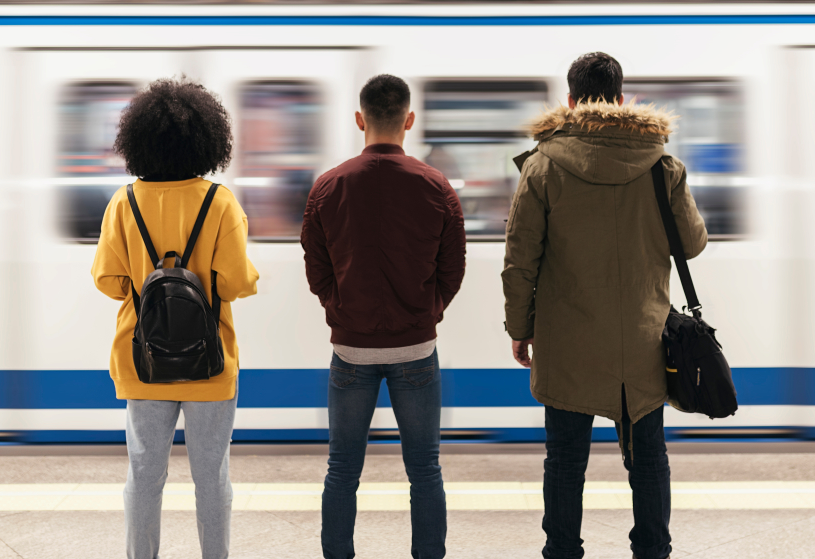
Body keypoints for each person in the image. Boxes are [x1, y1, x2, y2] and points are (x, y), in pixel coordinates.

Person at [502, 53, 708, 559]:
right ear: (621, 100)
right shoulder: (663, 166)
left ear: (571, 102)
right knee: (649, 459)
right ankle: (653, 549)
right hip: (642, 342)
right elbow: (693, 243)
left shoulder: (543, 165)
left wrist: (520, 327)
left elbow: (519, 260)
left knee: (565, 462)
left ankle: (563, 551)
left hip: (568, 342)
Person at [301, 74, 467, 559]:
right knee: (425, 469)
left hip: (350, 351)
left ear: (360, 119)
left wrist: (340, 308)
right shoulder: (436, 185)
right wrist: (427, 311)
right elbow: (451, 269)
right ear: (408, 120)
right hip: (417, 349)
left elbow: (317, 269)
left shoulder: (328, 186)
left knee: (342, 468)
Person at [92, 78, 259, 559]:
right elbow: (234, 284)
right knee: (212, 476)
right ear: (207, 139)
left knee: (144, 474)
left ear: (138, 141)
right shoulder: (220, 202)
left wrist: (144, 287)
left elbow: (107, 280)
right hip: (210, 363)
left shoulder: (123, 203)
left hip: (142, 360)